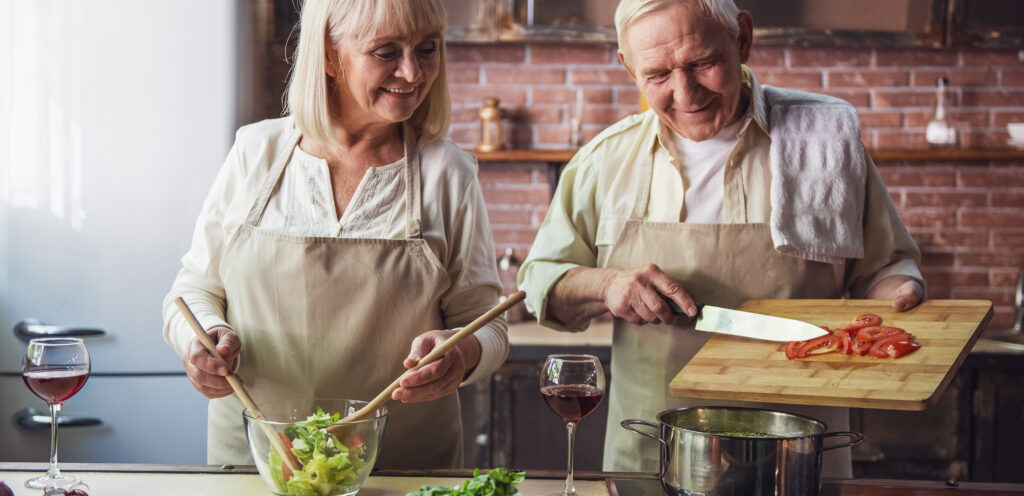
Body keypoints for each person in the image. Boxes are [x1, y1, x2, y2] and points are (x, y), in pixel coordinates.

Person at [517, 0, 925, 476]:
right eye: (657, 75)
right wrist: (606, 285)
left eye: (703, 63)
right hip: (653, 451)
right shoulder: (603, 161)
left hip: (801, 453)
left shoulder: (826, 143)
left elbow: (884, 268)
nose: (685, 92)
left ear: (743, 39)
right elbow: (541, 285)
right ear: (628, 67)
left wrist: (898, 295)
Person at [161, 0, 508, 469]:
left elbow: (488, 321)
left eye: (427, 49)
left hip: (400, 469)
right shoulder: (255, 153)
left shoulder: (449, 173)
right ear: (328, 55)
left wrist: (462, 354)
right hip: (256, 465)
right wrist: (202, 339)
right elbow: (193, 291)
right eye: (386, 52)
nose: (411, 72)